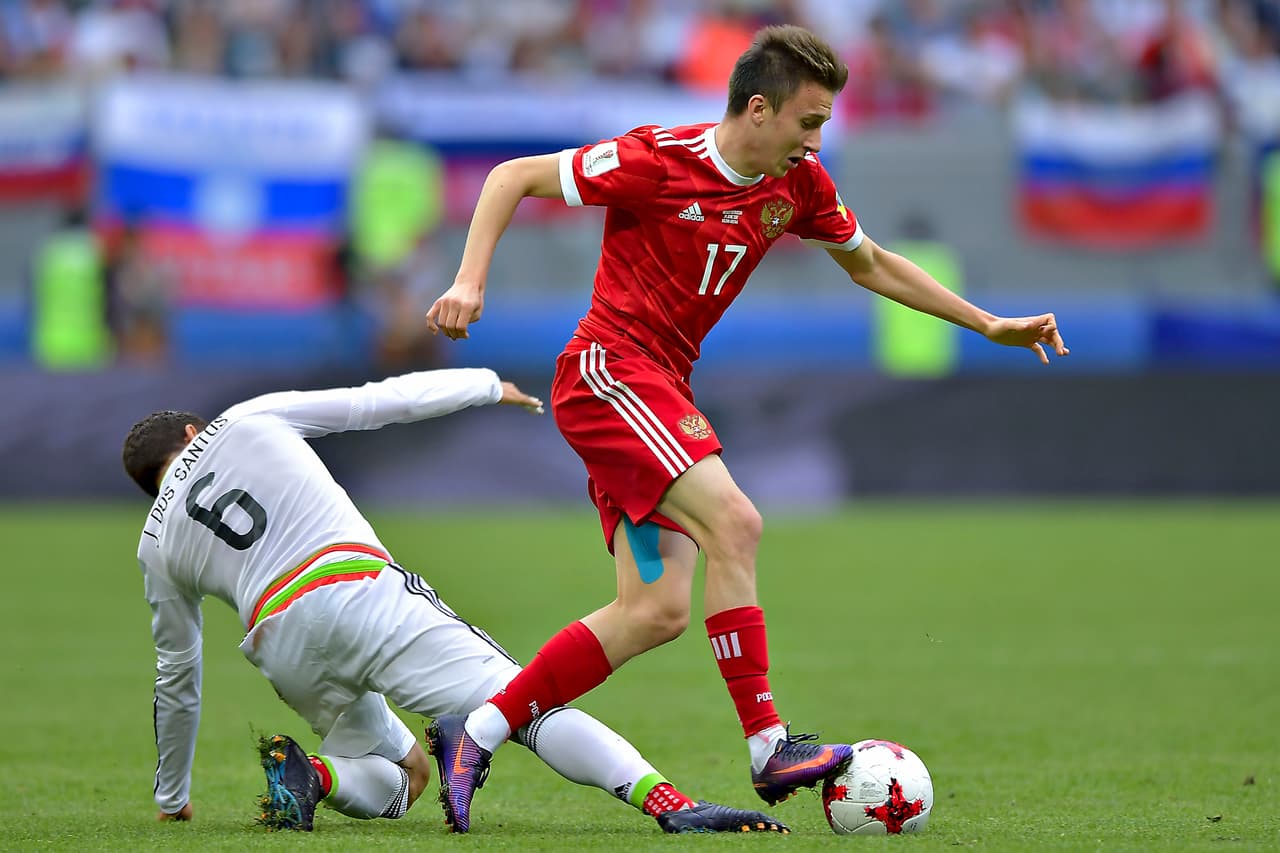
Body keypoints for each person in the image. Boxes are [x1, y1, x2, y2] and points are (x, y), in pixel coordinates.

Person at [424, 23, 1070, 832]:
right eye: (809, 121)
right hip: (607, 373)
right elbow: (512, 175)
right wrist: (469, 281)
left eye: (825, 123)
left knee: (654, 610)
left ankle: (473, 733)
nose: (817, 139)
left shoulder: (798, 185)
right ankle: (769, 745)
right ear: (758, 109)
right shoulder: (655, 160)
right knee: (739, 520)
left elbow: (869, 261)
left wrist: (986, 323)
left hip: (658, 387)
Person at [122, 367, 789, 835]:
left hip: (281, 642)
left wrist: (172, 797)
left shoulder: (155, 542)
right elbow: (373, 402)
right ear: (191, 431)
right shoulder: (244, 419)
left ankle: (318, 775)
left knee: (403, 776)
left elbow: (176, 678)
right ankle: (668, 801)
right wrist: (481, 385)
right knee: (524, 701)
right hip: (354, 590)